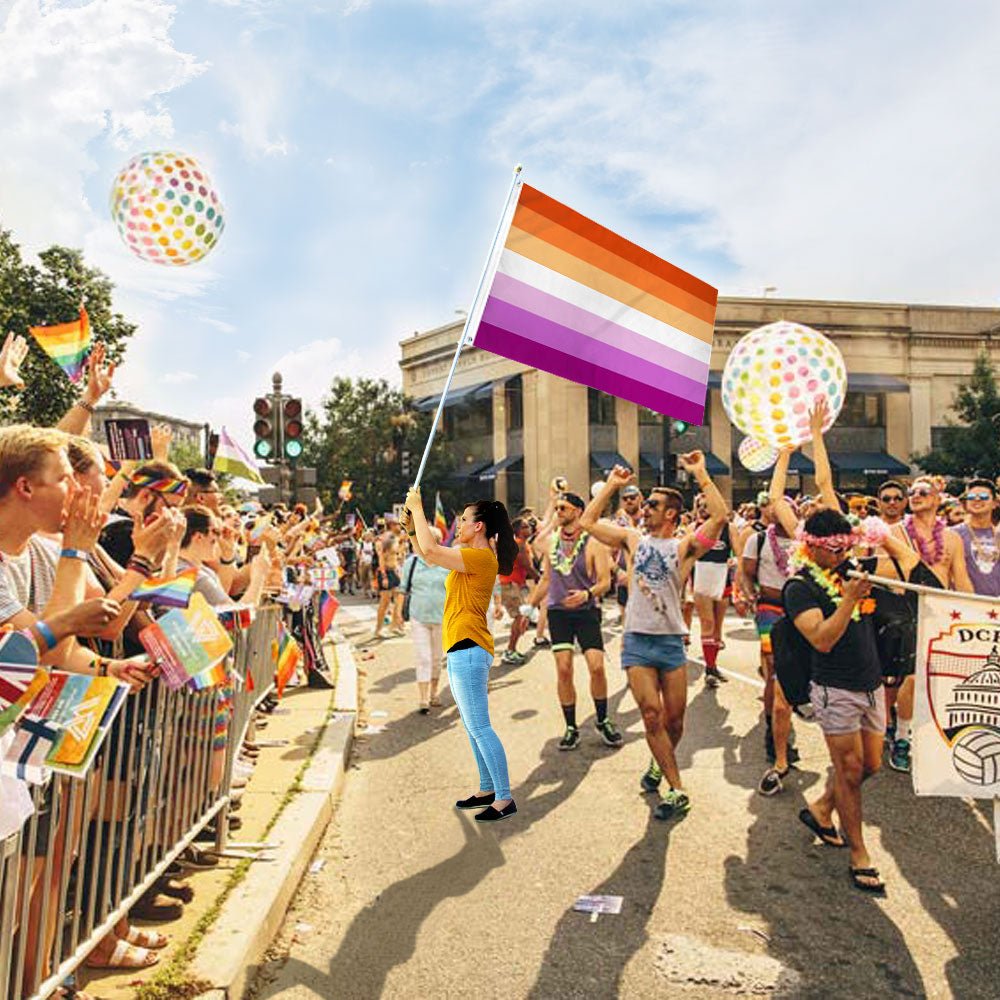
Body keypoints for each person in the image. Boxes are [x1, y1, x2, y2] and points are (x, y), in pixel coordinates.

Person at [581, 452, 728, 819]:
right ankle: (677, 789)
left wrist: (701, 474)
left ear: (671, 515)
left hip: (670, 642)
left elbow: (720, 517)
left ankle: (657, 764)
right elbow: (588, 521)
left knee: (674, 722)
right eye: (645, 504)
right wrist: (612, 485)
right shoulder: (632, 540)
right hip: (637, 642)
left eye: (653, 505)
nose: (645, 509)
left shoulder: (684, 547)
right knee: (650, 714)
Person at [780, 507, 887, 895]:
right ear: (811, 547)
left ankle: (822, 808)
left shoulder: (853, 571)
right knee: (849, 771)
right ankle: (859, 853)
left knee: (870, 766)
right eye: (833, 549)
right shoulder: (800, 587)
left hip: (871, 684)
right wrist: (848, 600)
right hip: (834, 687)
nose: (841, 556)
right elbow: (822, 638)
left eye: (847, 548)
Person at [403, 490, 517, 822]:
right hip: (461, 647)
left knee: (480, 726)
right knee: (472, 726)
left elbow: (431, 549)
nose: (459, 524)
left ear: (479, 526)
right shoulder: (468, 555)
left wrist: (417, 508)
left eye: (465, 519)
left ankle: (504, 797)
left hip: (469, 647)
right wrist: (412, 528)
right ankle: (487, 788)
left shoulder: (481, 558)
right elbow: (427, 555)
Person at [528, 491, 622, 750]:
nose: (559, 512)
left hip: (586, 611)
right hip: (558, 612)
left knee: (596, 667)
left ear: (578, 512)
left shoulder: (594, 543)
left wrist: (586, 594)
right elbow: (545, 575)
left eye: (563, 508)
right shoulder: (551, 542)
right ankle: (571, 726)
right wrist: (530, 606)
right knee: (564, 668)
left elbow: (605, 582)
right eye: (557, 508)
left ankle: (602, 720)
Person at [399, 526, 450, 712]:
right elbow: (403, 589)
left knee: (437, 658)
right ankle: (422, 698)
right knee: (423, 658)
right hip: (418, 616)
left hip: (442, 617)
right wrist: (397, 613)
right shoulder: (411, 563)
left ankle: (434, 692)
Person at [691, 492, 732, 687]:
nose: (704, 508)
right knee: (707, 623)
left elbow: (740, 552)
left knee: (717, 627)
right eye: (701, 505)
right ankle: (709, 668)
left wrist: (735, 561)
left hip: (722, 576)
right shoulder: (694, 528)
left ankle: (713, 665)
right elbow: (685, 556)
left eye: (708, 505)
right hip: (702, 576)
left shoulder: (728, 528)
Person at [499, 517, 538, 665]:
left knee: (521, 617)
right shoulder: (520, 545)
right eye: (525, 527)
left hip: (511, 583)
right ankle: (510, 651)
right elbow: (527, 566)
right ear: (517, 530)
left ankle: (511, 650)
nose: (529, 529)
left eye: (528, 526)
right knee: (519, 617)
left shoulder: (519, 544)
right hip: (510, 584)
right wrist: (539, 579)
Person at [953, 479, 1000, 597]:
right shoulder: (953, 534)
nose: (977, 499)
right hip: (965, 606)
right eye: (971, 496)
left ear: (995, 503)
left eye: (984, 496)